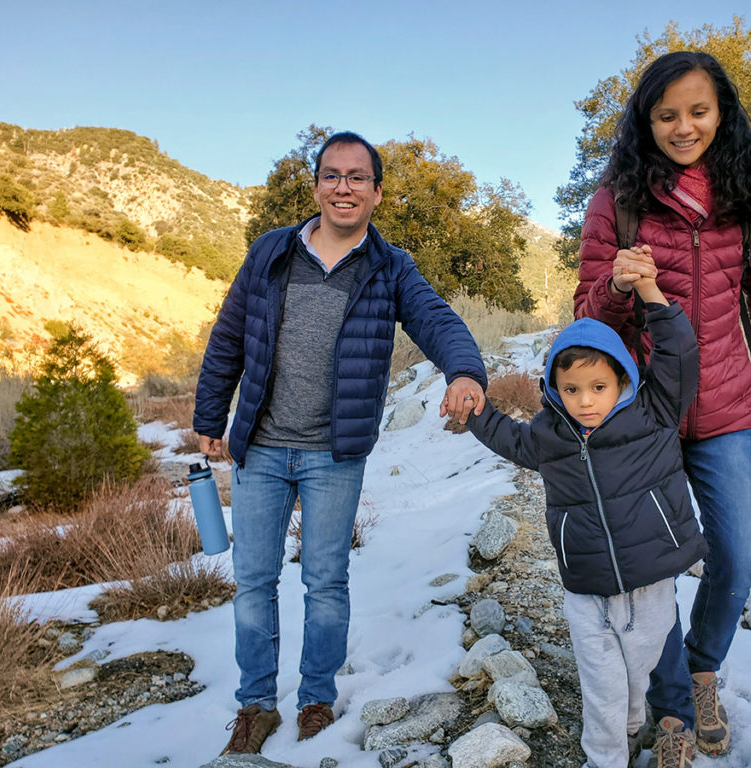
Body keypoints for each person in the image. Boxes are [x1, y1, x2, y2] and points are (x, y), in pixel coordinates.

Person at [574, 51, 751, 768]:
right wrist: (618, 289)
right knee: (655, 567)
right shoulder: (616, 200)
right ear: (645, 122)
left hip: (726, 411)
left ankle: (701, 667)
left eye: (698, 111)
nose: (683, 126)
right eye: (666, 115)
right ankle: (671, 707)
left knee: (736, 555)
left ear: (722, 113)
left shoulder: (747, 201)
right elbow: (585, 319)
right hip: (644, 418)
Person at [193, 131, 487, 755]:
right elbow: (227, 338)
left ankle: (315, 701)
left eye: (358, 177)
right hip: (261, 449)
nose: (344, 187)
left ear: (377, 192)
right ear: (317, 184)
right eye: (333, 175)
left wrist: (464, 371)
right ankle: (254, 707)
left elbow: (436, 320)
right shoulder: (272, 253)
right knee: (253, 582)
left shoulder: (391, 266)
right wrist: (209, 415)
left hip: (334, 452)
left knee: (325, 582)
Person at [467, 267, 706, 768]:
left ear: (622, 379)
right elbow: (507, 438)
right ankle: (605, 756)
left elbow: (680, 353)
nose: (585, 401)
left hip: (651, 580)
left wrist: (649, 293)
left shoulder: (655, 413)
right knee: (601, 683)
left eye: (598, 386)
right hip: (587, 584)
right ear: (554, 388)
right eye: (570, 389)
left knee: (639, 670)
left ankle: (634, 723)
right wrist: (475, 412)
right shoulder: (550, 436)